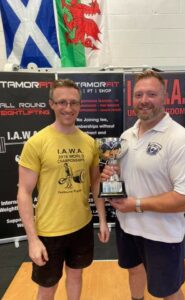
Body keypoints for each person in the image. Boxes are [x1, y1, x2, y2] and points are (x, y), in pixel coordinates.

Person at [101, 70, 185, 300]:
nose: (144, 100)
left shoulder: (181, 140)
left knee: (168, 291)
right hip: (127, 227)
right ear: (132, 99)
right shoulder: (126, 136)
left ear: (165, 97)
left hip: (161, 235)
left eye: (151, 94)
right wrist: (110, 176)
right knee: (134, 270)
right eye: (138, 95)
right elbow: (124, 178)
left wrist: (135, 204)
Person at [17, 79, 110, 300]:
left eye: (73, 103)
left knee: (76, 277)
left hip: (82, 225)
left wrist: (103, 219)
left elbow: (95, 182)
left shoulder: (89, 142)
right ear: (52, 104)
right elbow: (24, 193)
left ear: (80, 105)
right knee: (48, 287)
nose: (68, 108)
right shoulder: (36, 143)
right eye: (62, 102)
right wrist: (32, 239)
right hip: (49, 231)